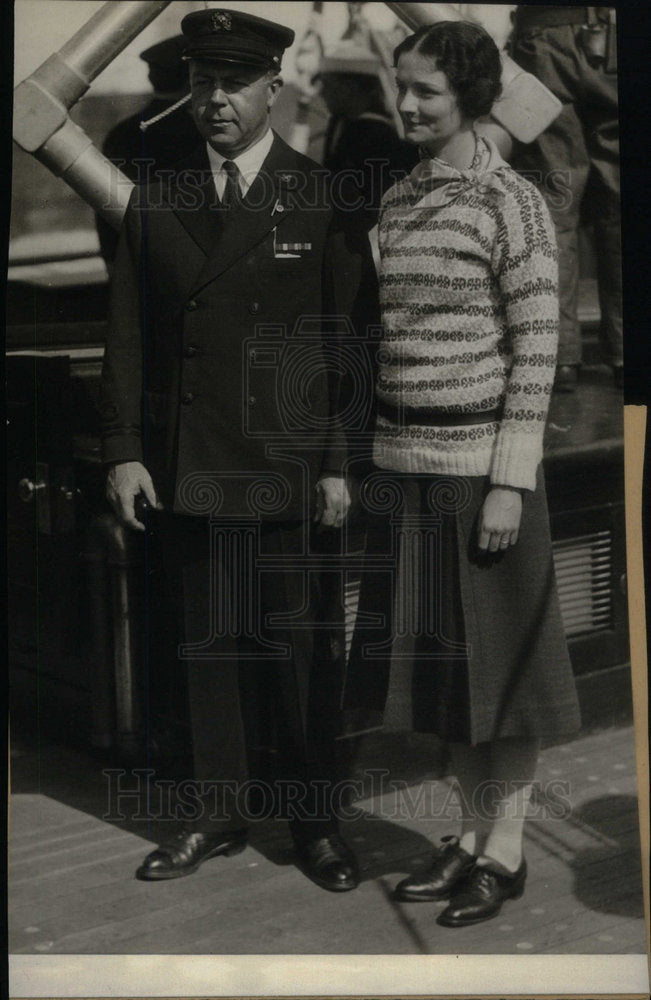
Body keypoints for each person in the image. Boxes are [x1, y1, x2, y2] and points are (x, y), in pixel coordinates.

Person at [100, 8, 378, 893]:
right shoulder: (159, 192)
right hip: (191, 461)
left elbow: (347, 345)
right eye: (200, 82)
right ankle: (215, 813)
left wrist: (338, 462)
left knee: (299, 659)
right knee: (205, 655)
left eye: (231, 83)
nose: (212, 100)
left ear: (272, 88)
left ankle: (313, 825)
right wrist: (124, 450)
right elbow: (130, 334)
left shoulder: (320, 195)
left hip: (290, 469)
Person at [344, 21, 581, 927]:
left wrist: (509, 482)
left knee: (504, 680)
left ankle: (506, 851)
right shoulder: (399, 201)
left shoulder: (511, 203)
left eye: (426, 92)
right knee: (446, 678)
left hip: (486, 474)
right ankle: (472, 838)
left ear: (470, 100)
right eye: (400, 86)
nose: (405, 103)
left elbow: (535, 352)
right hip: (408, 475)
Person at [510, 6, 621, 392]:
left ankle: (559, 357)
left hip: (543, 34)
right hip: (615, 35)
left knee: (552, 206)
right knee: (622, 206)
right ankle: (626, 353)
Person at [97, 34, 201, 263]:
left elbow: (104, 210)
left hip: (129, 267)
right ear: (192, 78)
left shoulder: (120, 133)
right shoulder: (200, 134)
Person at [318, 39, 418, 230]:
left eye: (328, 85)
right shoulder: (339, 123)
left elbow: (373, 208)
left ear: (351, 88)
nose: (322, 93)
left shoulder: (377, 138)